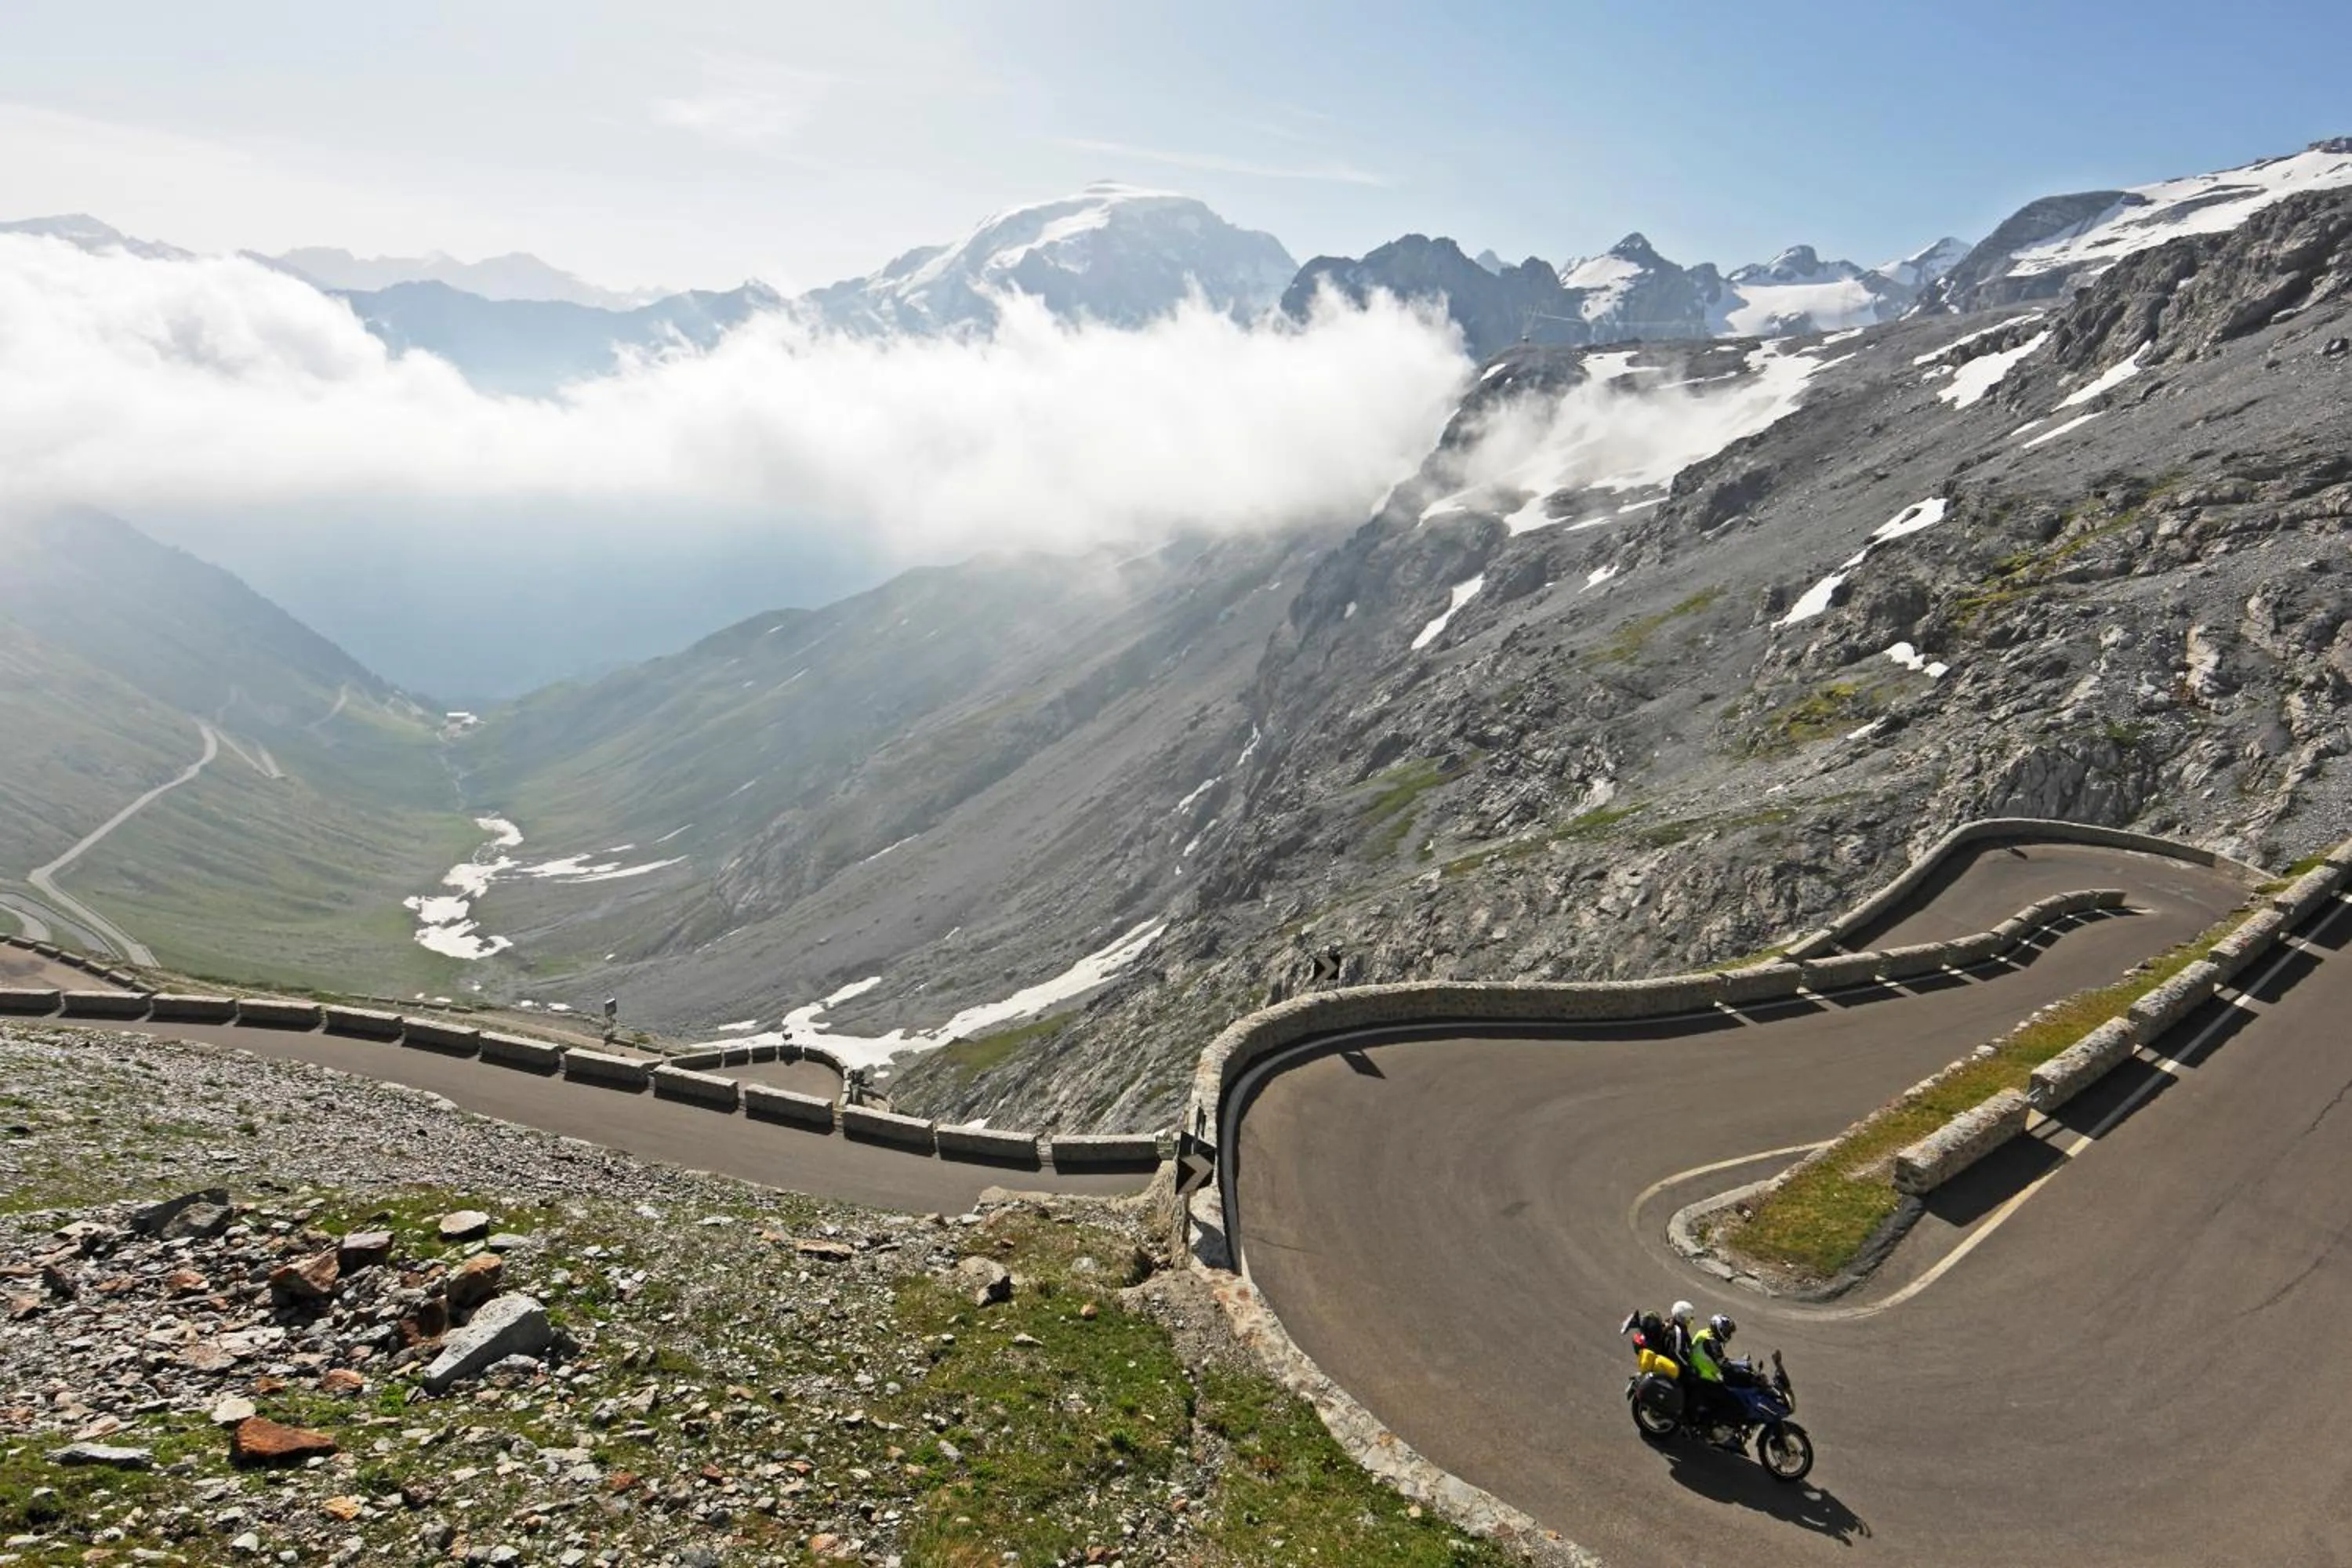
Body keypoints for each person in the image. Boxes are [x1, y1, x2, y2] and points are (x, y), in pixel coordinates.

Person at [1686, 1313, 1744, 1447]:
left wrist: (1739, 1364)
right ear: (1719, 1329)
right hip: (1702, 1377)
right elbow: (1722, 1363)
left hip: (1699, 1371)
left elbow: (1719, 1359)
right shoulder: (1712, 1342)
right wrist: (1740, 1371)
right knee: (1727, 1401)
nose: (1729, 1335)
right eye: (1727, 1331)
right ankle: (1710, 1433)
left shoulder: (1707, 1334)